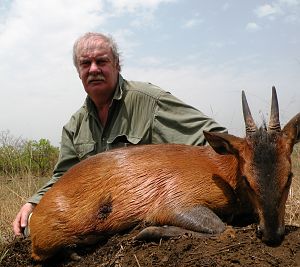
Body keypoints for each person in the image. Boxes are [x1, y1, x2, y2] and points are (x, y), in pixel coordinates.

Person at [13, 32, 227, 236]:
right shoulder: (74, 126)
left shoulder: (151, 102)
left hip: (147, 211)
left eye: (102, 61)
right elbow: (62, 177)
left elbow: (218, 140)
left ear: (117, 65)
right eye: (85, 64)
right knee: (32, 226)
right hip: (100, 218)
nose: (94, 69)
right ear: (78, 72)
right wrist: (33, 202)